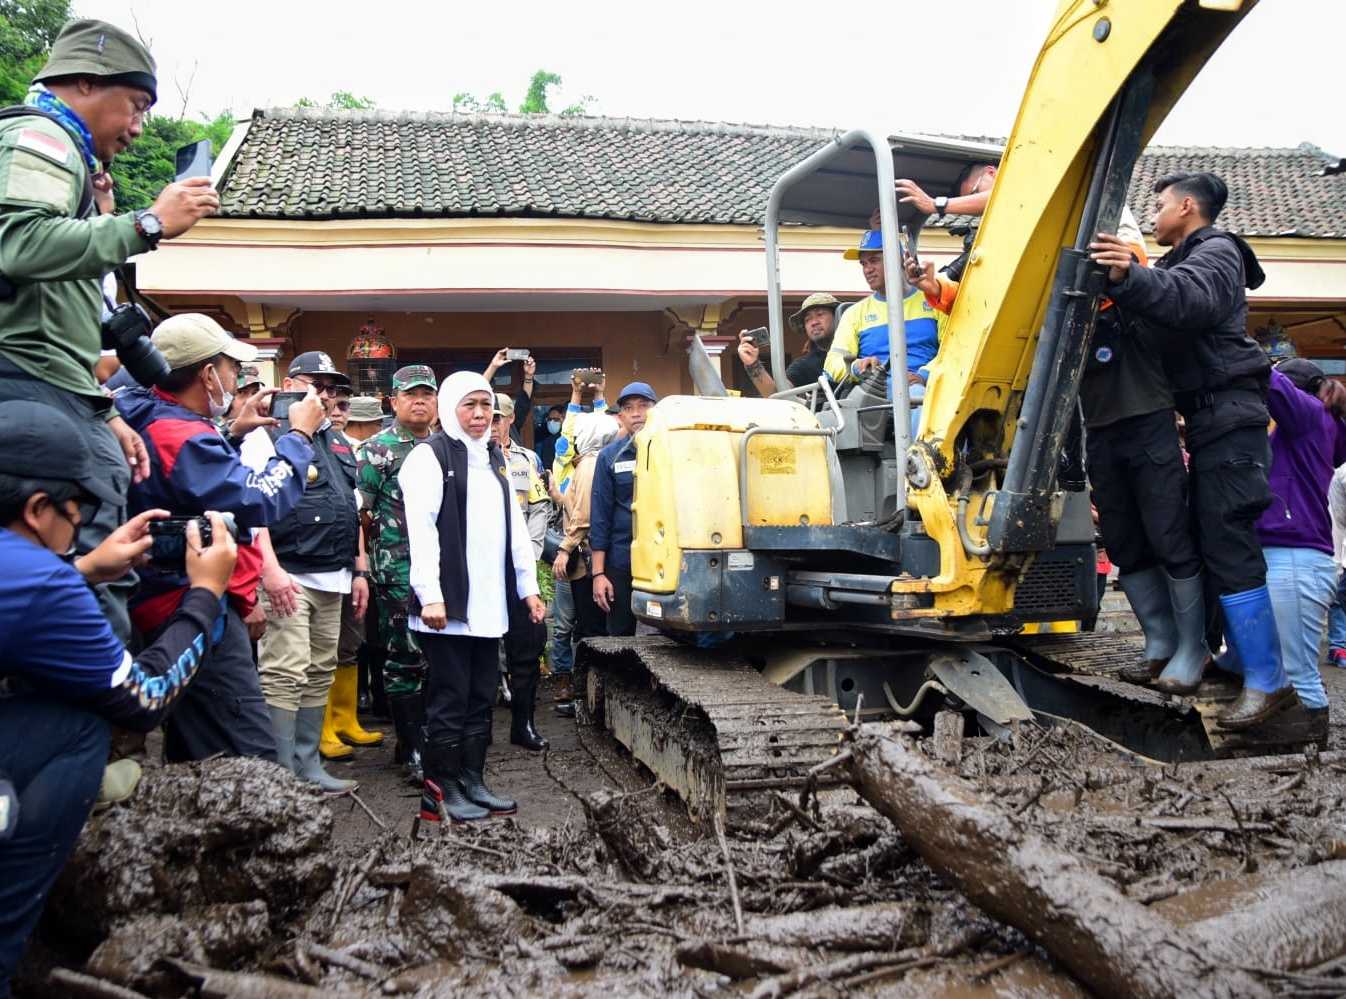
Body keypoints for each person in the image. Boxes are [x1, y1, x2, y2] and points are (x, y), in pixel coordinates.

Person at [0, 400, 237, 993]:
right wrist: (205, 594)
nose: (82, 520)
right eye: (78, 508)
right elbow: (145, 696)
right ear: (36, 509)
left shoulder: (28, 571)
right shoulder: (39, 581)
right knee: (76, 727)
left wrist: (80, 567)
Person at [0, 18, 220, 641]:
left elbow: (64, 304)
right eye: (136, 105)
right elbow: (15, 243)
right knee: (95, 549)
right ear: (86, 83)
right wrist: (145, 224)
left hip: (58, 386)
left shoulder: (73, 157)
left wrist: (104, 411)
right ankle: (97, 704)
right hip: (29, 382)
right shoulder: (40, 137)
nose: (138, 127)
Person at [1089, 171, 1291, 731]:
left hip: (1228, 413)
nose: (1153, 216)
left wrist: (1132, 277)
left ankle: (1270, 682)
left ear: (1186, 206)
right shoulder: (1179, 263)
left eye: (1158, 206)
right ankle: (1231, 659)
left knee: (1227, 539)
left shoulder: (1217, 251)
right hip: (1208, 417)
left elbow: (1191, 302)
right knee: (1210, 537)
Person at [115, 314, 322, 762]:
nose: (238, 378)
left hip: (173, 600)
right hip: (188, 606)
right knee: (245, 756)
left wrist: (231, 432)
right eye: (232, 367)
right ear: (208, 374)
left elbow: (190, 484)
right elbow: (256, 499)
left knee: (198, 748)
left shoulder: (155, 416)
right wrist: (300, 435)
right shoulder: (177, 431)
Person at [400, 371, 545, 823]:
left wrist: (529, 589)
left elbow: (516, 530)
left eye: (487, 406)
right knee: (450, 696)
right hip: (447, 606)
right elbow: (421, 532)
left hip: (488, 604)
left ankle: (472, 781)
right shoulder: (428, 457)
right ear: (450, 409)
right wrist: (431, 594)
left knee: (481, 694)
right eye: (471, 406)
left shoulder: (495, 459)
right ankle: (440, 791)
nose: (481, 415)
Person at [247, 351, 367, 793]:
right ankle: (281, 776)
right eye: (317, 385)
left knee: (320, 668)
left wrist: (358, 571)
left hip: (332, 575)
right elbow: (254, 510)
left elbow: (350, 510)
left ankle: (308, 763)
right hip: (289, 574)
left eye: (332, 388)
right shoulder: (270, 435)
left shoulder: (335, 442)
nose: (327, 395)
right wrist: (270, 571)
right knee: (285, 669)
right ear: (292, 384)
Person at [1223, 358, 1346, 737]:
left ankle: (1308, 744)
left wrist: (1247, 348)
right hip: (1291, 555)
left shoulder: (1308, 414)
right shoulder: (1316, 427)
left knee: (1296, 670)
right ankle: (1298, 741)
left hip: (1296, 558)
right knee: (1282, 662)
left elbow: (1269, 380)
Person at [357, 364, 439, 779]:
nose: (419, 400)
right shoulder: (377, 450)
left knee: (436, 656)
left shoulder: (445, 446)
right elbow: (362, 514)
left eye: (427, 393)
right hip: (397, 569)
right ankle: (409, 747)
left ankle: (430, 737)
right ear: (394, 401)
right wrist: (366, 565)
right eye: (411, 394)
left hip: (439, 570)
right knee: (404, 656)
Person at [318, 392, 386, 760]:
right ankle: (323, 726)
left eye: (345, 406)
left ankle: (346, 720)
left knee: (349, 642)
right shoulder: (303, 442)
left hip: (350, 560)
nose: (339, 412)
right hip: (316, 563)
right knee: (323, 648)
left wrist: (361, 566)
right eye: (334, 404)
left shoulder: (348, 449)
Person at [823, 231, 943, 437]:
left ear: (899, 259)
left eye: (874, 261)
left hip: (930, 391)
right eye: (863, 264)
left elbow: (954, 350)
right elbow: (832, 363)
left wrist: (924, 376)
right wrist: (857, 366)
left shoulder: (934, 302)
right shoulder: (855, 314)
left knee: (916, 396)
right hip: (877, 397)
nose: (867, 270)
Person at [551, 411, 621, 717]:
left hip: (586, 560)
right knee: (590, 628)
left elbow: (584, 515)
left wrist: (564, 549)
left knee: (592, 630)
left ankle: (594, 702)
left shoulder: (590, 464)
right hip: (589, 559)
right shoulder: (593, 462)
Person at [493, 393, 552, 749]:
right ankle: (478, 730)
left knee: (528, 644)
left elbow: (540, 505)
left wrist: (527, 554)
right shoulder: (466, 458)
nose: (494, 421)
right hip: (481, 569)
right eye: (489, 414)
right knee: (481, 650)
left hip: (520, 569)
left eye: (500, 416)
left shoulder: (525, 460)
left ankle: (523, 725)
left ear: (510, 419)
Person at [591, 382, 658, 636]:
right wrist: (599, 573)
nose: (637, 413)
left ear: (656, 410)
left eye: (643, 406)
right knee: (621, 635)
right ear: (621, 417)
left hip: (664, 560)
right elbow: (600, 517)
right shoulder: (610, 457)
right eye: (629, 408)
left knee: (668, 637)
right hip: (621, 562)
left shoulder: (672, 453)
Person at [736, 292, 840, 396]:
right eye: (808, 319)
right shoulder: (804, 366)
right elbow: (778, 395)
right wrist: (752, 364)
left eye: (820, 314)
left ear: (838, 317)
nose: (814, 322)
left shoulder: (855, 349)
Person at [482, 349, 537, 444]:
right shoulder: (477, 447)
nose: (492, 428)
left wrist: (528, 376)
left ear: (510, 418)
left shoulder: (524, 455)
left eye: (497, 420)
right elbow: (475, 393)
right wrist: (493, 366)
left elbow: (523, 402)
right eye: (488, 422)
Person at [535, 403, 566, 471]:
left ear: (563, 419)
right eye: (549, 419)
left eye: (556, 419)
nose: (552, 422)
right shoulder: (545, 440)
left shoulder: (569, 438)